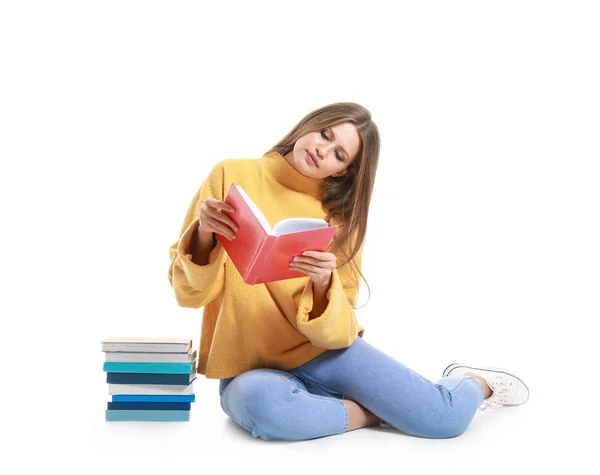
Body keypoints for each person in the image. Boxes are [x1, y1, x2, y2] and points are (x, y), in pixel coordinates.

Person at [168, 102, 530, 441]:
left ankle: (473, 381)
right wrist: (203, 234)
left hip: (324, 352)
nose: (323, 151)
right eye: (325, 134)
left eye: (339, 154)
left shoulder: (341, 218)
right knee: (261, 406)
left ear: (342, 170)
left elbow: (339, 332)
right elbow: (189, 294)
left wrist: (325, 283)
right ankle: (369, 413)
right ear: (309, 125)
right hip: (251, 366)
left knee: (445, 420)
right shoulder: (231, 174)